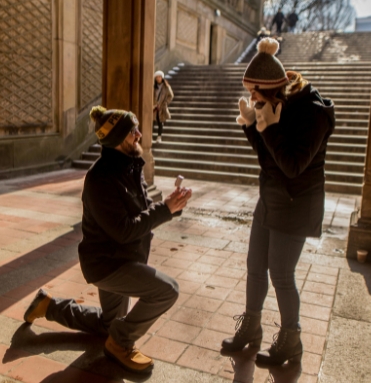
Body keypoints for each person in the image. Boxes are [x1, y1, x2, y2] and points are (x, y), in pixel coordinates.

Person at [23, 106, 192, 374]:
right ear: (115, 140)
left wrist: (172, 205)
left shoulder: (131, 165)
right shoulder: (100, 179)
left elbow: (144, 211)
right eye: (131, 131)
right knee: (167, 290)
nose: (138, 134)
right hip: (108, 265)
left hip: (125, 258)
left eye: (136, 128)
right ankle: (120, 343)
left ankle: (49, 306)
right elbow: (123, 230)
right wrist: (165, 209)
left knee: (108, 323)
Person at [220, 38, 335, 367]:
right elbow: (268, 159)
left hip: (298, 203)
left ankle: (291, 340)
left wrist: (267, 128)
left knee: (282, 274)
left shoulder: (312, 114)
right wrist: (251, 128)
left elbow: (293, 165)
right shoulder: (269, 106)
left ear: (271, 88)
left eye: (254, 92)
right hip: (271, 198)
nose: (251, 98)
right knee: (255, 267)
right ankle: (251, 329)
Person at [153, 71, 173, 144]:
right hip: (154, 107)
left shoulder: (166, 86)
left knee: (160, 122)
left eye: (160, 77)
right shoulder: (153, 86)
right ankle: (150, 137)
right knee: (152, 122)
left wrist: (165, 103)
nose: (158, 78)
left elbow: (170, 96)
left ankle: (159, 137)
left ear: (162, 77)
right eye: (157, 77)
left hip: (162, 107)